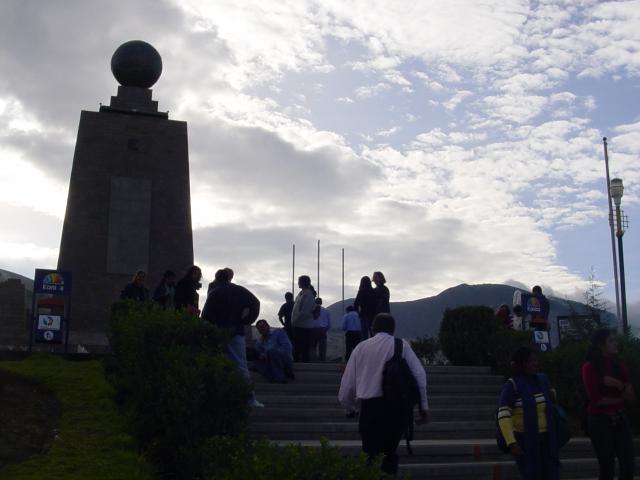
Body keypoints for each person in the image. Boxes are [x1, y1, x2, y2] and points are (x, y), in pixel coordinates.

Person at [338, 313, 429, 474]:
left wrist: (349, 408)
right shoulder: (401, 345)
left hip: (370, 409)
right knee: (389, 453)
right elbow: (419, 375)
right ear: (393, 330)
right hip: (396, 409)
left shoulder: (361, 348)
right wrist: (423, 408)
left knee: (370, 455)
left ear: (372, 329)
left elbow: (347, 384)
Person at [201, 268, 263, 407]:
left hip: (218, 332)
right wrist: (246, 321)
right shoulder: (240, 290)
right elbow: (256, 303)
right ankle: (250, 399)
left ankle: (218, 399)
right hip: (236, 332)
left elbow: (205, 315)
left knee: (217, 364)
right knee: (241, 366)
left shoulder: (215, 292)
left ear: (217, 278)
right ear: (229, 277)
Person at [497, 347, 560, 480]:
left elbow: (550, 398)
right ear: (521, 364)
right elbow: (503, 415)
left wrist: (552, 394)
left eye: (535, 360)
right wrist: (511, 442)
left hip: (547, 439)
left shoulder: (542, 380)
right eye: (529, 361)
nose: (534, 364)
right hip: (525, 441)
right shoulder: (512, 385)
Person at [582, 329, 635, 480]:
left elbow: (631, 398)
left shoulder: (619, 366)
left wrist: (619, 385)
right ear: (601, 345)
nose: (616, 343)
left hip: (620, 418)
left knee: (628, 464)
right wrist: (621, 397)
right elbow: (597, 400)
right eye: (611, 341)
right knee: (607, 466)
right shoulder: (589, 367)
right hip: (600, 420)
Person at [254, 319, 294, 383]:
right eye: (259, 328)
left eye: (263, 326)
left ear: (268, 326)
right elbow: (259, 354)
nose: (262, 329)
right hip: (269, 363)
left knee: (272, 352)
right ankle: (279, 376)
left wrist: (269, 353)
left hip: (284, 360)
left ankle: (280, 378)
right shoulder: (259, 342)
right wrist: (263, 355)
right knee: (257, 364)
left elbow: (287, 348)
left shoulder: (279, 332)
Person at [291, 275, 316, 363]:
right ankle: (297, 362)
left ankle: (304, 364)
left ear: (303, 282)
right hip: (298, 324)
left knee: (303, 347)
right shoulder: (301, 294)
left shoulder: (308, 294)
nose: (298, 283)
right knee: (297, 346)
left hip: (304, 326)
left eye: (299, 281)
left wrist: (296, 319)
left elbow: (305, 311)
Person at [354, 276, 376, 340]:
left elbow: (355, 304)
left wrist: (358, 313)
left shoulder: (361, 292)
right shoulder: (373, 291)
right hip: (372, 315)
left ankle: (365, 346)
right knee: (373, 334)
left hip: (363, 315)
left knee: (364, 335)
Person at [311, 297, 331, 361]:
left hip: (314, 329)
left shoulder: (312, 310)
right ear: (321, 303)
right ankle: (322, 360)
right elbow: (329, 322)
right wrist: (326, 329)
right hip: (323, 329)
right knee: (322, 347)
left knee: (313, 346)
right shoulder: (326, 311)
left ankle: (313, 359)